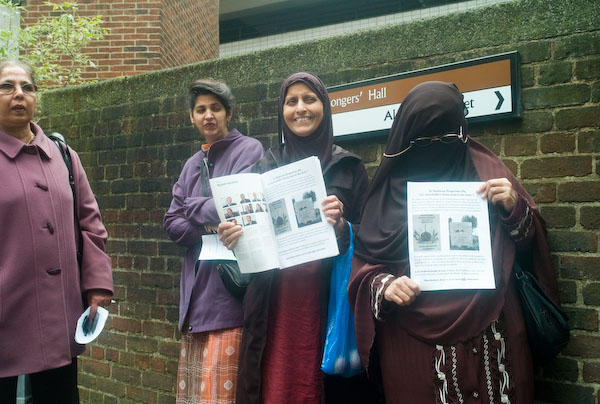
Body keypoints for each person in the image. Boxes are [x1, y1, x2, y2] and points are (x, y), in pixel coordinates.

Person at [348, 81, 562, 403]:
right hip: (415, 343)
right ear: (406, 138)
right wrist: (385, 284)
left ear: (462, 131)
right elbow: (362, 263)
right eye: (423, 139)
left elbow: (530, 246)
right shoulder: (386, 194)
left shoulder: (486, 171)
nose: (436, 145)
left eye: (447, 136)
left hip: (493, 330)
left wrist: (512, 206)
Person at [218, 72, 379, 404]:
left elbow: (373, 237)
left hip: (328, 301)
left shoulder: (349, 167)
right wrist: (233, 236)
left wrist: (343, 229)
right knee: (274, 384)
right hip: (274, 303)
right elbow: (250, 238)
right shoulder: (264, 166)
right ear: (282, 111)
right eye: (291, 101)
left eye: (310, 99)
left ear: (325, 106)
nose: (300, 108)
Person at [0, 60, 114, 403]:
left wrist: (96, 284)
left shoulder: (64, 155)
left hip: (60, 317)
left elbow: (90, 224)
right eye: (7, 86)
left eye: (27, 87)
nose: (19, 94)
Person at [164, 78, 264, 403]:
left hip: (229, 298)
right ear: (191, 117)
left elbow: (239, 206)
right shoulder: (191, 165)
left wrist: (192, 207)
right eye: (201, 109)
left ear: (229, 113)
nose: (209, 115)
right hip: (194, 301)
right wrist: (210, 222)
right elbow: (172, 225)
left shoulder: (248, 150)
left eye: (216, 108)